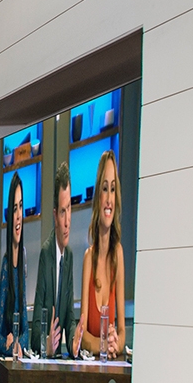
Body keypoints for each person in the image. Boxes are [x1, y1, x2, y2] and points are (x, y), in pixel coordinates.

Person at [74, 150, 128, 360]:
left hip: (111, 369)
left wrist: (116, 343)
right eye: (105, 189)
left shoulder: (118, 255)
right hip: (90, 371)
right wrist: (103, 344)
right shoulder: (88, 258)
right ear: (98, 197)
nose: (109, 199)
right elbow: (83, 334)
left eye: (113, 190)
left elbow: (122, 331)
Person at [32, 162, 76, 358]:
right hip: (44, 361)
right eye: (62, 212)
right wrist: (46, 345)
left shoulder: (70, 258)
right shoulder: (46, 254)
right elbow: (35, 331)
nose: (67, 222)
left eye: (69, 210)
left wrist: (74, 342)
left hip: (60, 361)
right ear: (55, 215)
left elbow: (70, 320)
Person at [0, 175, 29, 358]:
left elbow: (26, 331)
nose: (18, 216)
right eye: (15, 209)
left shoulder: (22, 262)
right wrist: (9, 346)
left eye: (21, 207)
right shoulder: (6, 266)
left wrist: (18, 344)